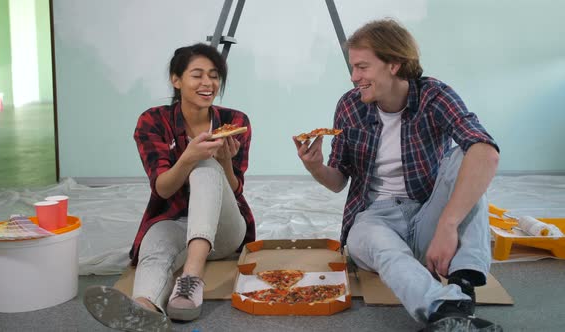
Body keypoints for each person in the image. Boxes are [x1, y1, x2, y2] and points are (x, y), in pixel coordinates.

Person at [293, 19, 502, 331]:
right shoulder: (350, 107)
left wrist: (447, 224)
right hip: (374, 219)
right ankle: (447, 308)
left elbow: (486, 151)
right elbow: (337, 181)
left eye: (362, 67)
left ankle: (461, 282)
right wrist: (315, 166)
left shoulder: (434, 95)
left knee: (468, 154)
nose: (354, 78)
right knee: (374, 240)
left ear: (394, 64)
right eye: (352, 68)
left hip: (427, 211)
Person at [84, 43, 255, 331]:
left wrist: (224, 161)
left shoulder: (234, 121)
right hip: (176, 221)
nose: (207, 83)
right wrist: (187, 157)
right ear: (176, 80)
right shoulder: (153, 121)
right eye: (197, 75)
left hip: (225, 231)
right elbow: (162, 189)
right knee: (155, 244)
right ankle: (144, 308)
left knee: (206, 167)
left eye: (213, 75)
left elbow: (236, 190)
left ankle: (191, 278)